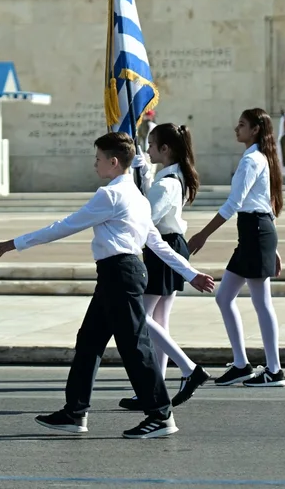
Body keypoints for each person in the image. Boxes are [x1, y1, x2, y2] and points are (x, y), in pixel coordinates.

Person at [0, 132, 215, 439]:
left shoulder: (109, 195)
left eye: (98, 159)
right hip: (123, 272)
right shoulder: (136, 196)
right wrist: (191, 274)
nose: (94, 164)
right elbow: (158, 245)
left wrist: (17, 242)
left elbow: (66, 225)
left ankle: (161, 415)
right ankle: (75, 413)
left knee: (134, 346)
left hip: (119, 274)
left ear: (113, 162)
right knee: (89, 342)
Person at [187, 108, 285, 388]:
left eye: (242, 125)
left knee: (260, 302)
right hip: (256, 232)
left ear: (255, 130)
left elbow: (234, 204)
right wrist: (273, 246)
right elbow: (266, 203)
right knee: (226, 297)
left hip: (255, 231)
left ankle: (274, 370)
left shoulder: (252, 160)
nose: (236, 128)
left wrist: (203, 235)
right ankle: (242, 365)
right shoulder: (259, 158)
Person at [119, 123, 211, 411]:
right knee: (159, 320)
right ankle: (154, 388)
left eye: (151, 145)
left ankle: (188, 369)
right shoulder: (172, 177)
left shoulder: (168, 182)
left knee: (141, 318)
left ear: (165, 149)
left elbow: (146, 216)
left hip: (163, 248)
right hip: (171, 244)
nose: (147, 150)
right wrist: (145, 174)